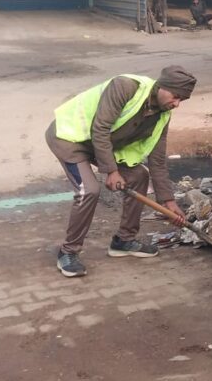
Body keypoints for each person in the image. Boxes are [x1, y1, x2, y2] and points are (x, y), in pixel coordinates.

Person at [45, 66, 195, 278]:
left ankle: (124, 241)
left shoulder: (163, 115)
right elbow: (100, 128)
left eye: (182, 100)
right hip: (69, 137)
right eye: (175, 97)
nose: (176, 104)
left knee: (139, 176)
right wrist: (111, 171)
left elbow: (157, 160)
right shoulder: (125, 87)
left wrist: (168, 201)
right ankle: (67, 252)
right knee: (89, 190)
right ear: (162, 87)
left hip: (101, 146)